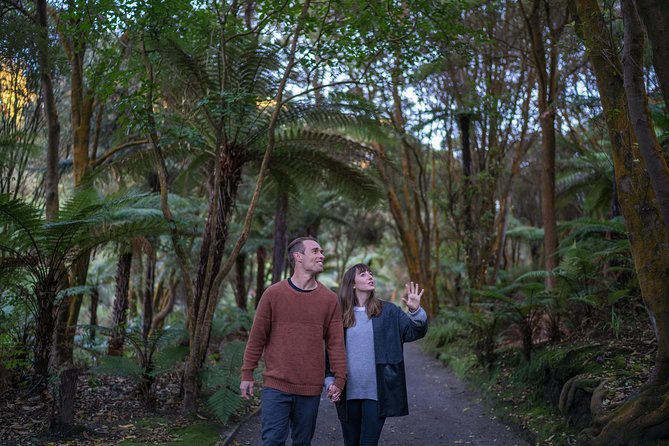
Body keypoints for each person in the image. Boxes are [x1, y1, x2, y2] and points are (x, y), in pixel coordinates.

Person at [240, 236, 347, 446]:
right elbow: (256, 337)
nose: (321, 255)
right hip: (276, 385)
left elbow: (336, 344)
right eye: (315, 251)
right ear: (298, 256)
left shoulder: (329, 299)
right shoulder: (273, 294)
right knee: (272, 441)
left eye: (321, 251)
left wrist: (339, 379)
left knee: (302, 442)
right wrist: (247, 373)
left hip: (310, 388)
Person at [327, 263, 428, 446]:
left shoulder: (388, 311)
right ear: (352, 284)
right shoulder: (339, 315)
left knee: (369, 442)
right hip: (347, 391)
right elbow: (329, 352)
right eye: (363, 274)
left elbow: (414, 332)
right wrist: (329, 383)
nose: (370, 277)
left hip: (377, 392)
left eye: (371, 274)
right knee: (350, 442)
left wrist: (415, 311)